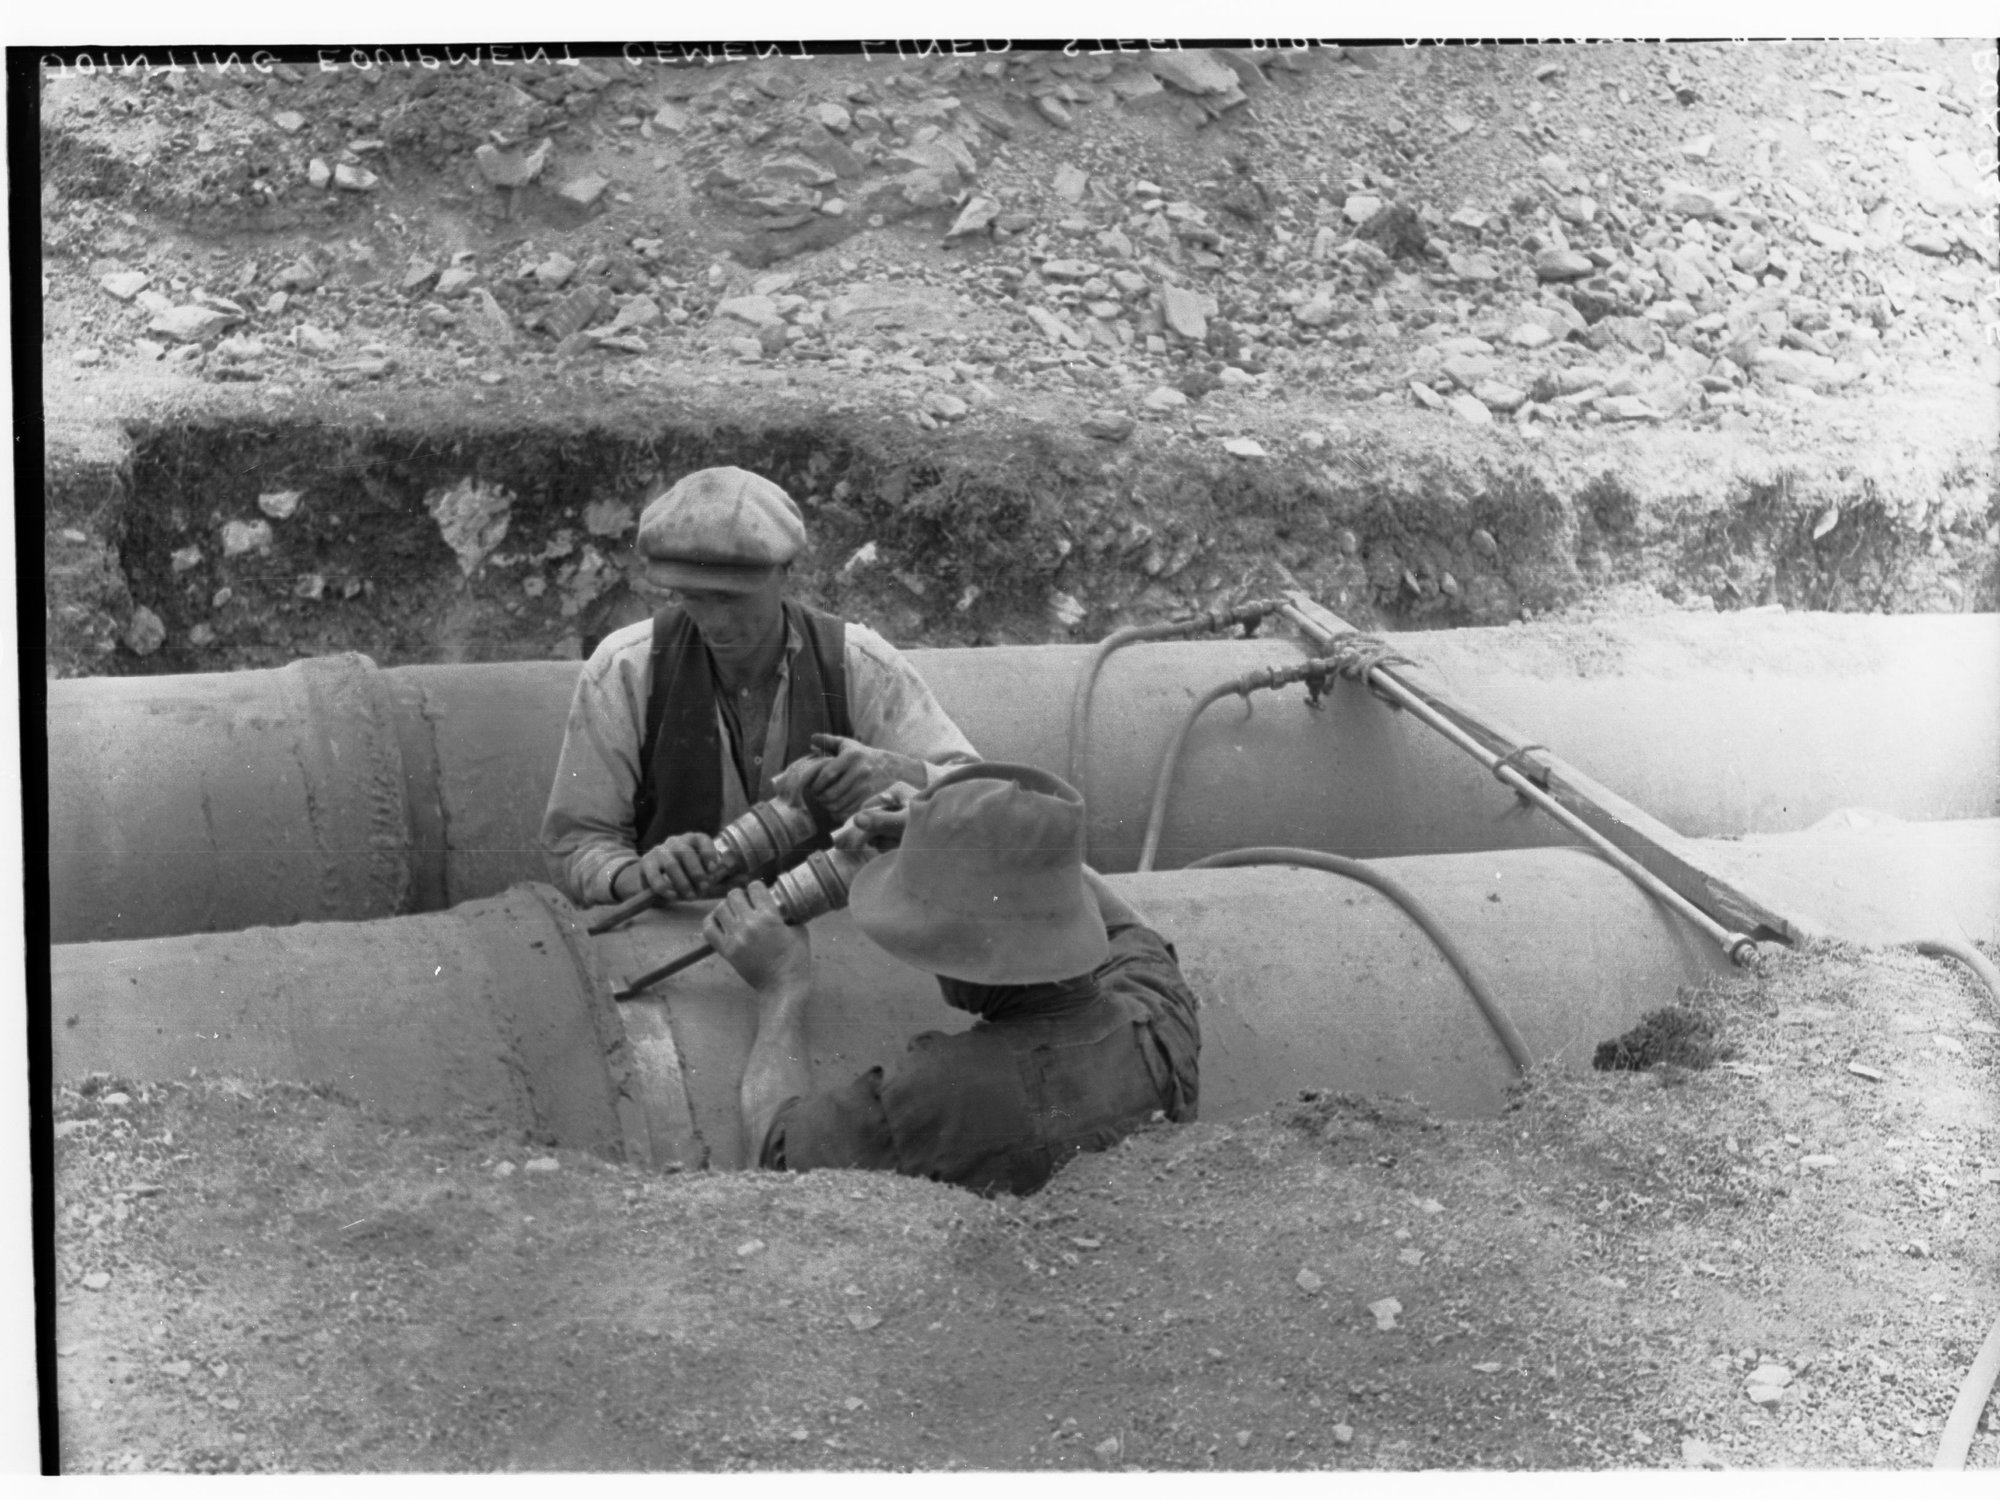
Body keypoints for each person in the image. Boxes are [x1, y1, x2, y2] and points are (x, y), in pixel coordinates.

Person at [701, 763, 1202, 1197]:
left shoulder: (935, 1094)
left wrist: (779, 988)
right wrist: (947, 833)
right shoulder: (1158, 1023)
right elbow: (1130, 932)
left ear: (969, 950)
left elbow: (777, 1156)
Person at [541, 466, 978, 907]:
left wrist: (897, 772)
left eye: (731, 598)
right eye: (692, 596)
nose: (714, 623)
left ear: (785, 570)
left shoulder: (860, 666)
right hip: (675, 934)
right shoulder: (625, 671)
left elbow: (981, 800)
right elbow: (576, 842)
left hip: (835, 941)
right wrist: (637, 875)